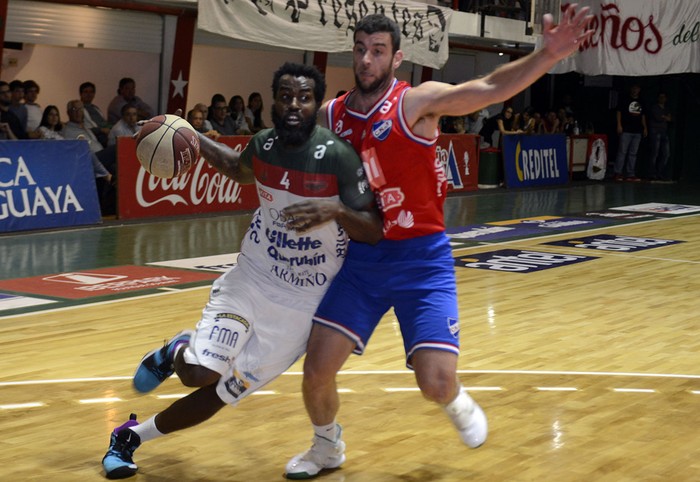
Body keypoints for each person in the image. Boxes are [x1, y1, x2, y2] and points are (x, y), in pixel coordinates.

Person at [284, 6, 593, 479]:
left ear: (397, 59)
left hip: (421, 260)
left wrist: (545, 55)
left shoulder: (417, 102)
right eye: (361, 50)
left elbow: (488, 88)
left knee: (435, 382)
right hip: (363, 258)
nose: (367, 60)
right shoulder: (332, 114)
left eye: (378, 52)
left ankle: (456, 399)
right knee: (316, 369)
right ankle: (327, 448)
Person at [100, 62, 383, 479]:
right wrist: (189, 133)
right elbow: (237, 168)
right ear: (273, 101)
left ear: (315, 104)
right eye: (285, 96)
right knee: (198, 373)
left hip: (302, 306)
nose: (293, 105)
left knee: (221, 394)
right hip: (251, 280)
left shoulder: (338, 158)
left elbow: (374, 230)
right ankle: (177, 351)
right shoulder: (264, 145)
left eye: (303, 98)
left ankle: (130, 437)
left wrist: (336, 209)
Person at [613, 83, 646, 182]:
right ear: (631, 89)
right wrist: (619, 124)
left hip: (637, 131)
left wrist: (645, 127)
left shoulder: (641, 101)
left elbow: (643, 115)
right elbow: (619, 112)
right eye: (634, 88)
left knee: (633, 153)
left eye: (637, 88)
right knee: (622, 152)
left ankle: (630, 174)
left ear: (639, 90)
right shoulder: (625, 99)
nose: (635, 90)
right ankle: (618, 173)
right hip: (626, 129)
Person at [648, 92, 672, 181]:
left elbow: (670, 119)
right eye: (661, 97)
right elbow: (658, 117)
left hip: (664, 132)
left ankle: (660, 173)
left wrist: (664, 117)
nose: (662, 99)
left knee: (666, 154)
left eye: (664, 97)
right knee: (655, 153)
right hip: (655, 132)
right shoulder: (654, 107)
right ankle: (652, 173)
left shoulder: (667, 108)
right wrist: (665, 117)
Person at [80, 81, 112, 147]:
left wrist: (111, 127)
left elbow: (104, 123)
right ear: (81, 94)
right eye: (86, 92)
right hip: (94, 138)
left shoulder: (95, 108)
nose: (89, 94)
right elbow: (83, 128)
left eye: (91, 92)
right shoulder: (79, 110)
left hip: (105, 134)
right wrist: (101, 130)